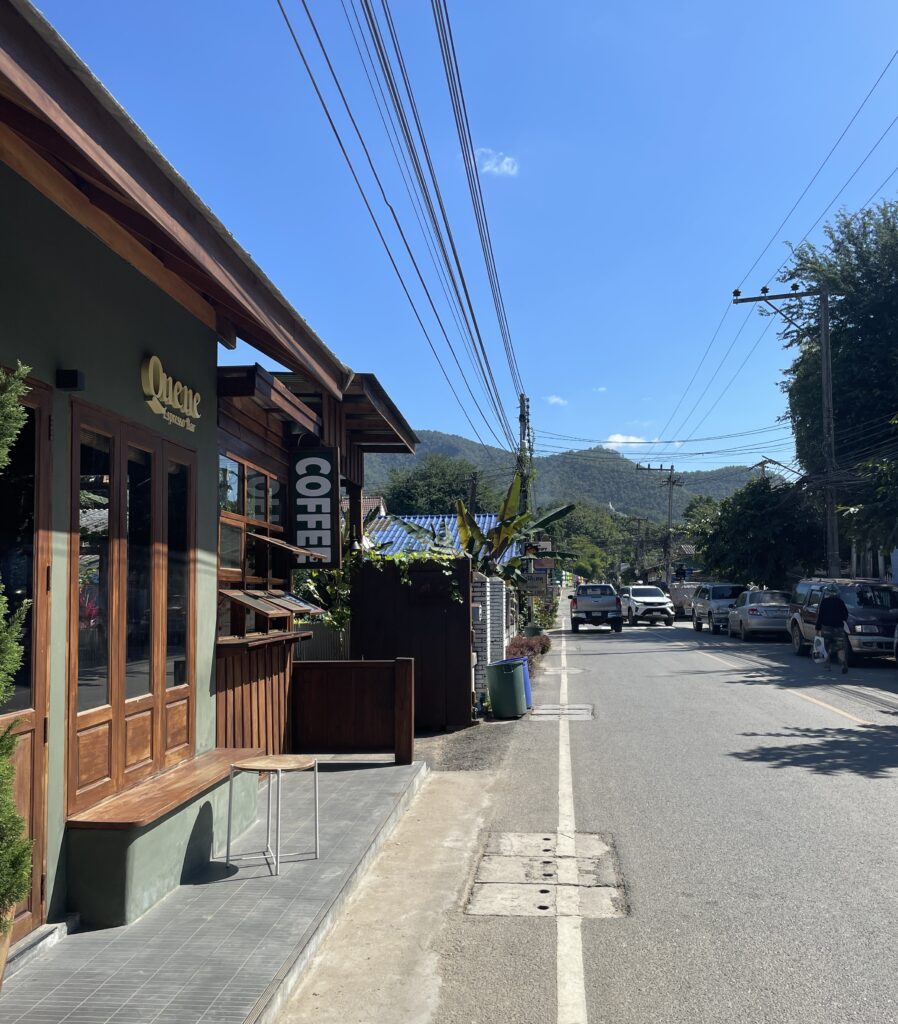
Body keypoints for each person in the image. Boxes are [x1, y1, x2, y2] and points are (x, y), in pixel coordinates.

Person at [815, 584, 849, 674]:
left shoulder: (824, 602)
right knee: (840, 647)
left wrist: (817, 629)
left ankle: (827, 665)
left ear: (828, 593)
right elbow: (845, 615)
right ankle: (843, 663)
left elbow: (820, 616)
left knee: (826, 647)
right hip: (838, 628)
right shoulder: (840, 602)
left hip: (826, 628)